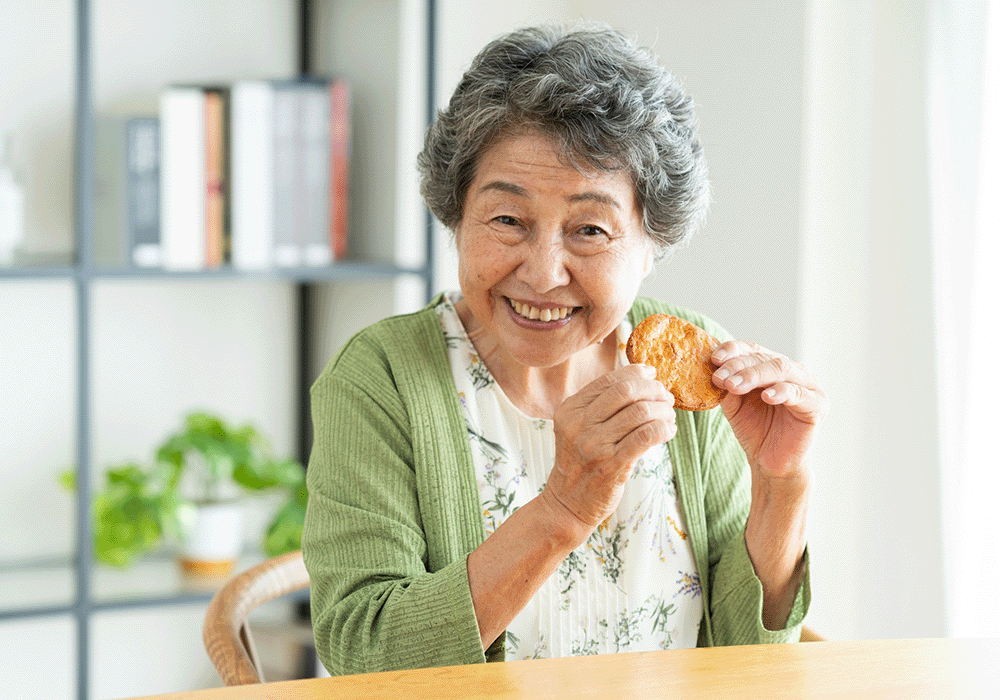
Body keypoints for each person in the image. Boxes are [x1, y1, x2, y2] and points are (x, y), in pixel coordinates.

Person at [302, 22, 826, 676]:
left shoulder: (695, 366)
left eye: (589, 229)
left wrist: (782, 483)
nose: (544, 272)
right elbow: (365, 654)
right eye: (507, 220)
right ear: (456, 216)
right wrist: (563, 508)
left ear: (651, 242)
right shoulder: (382, 378)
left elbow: (749, 662)